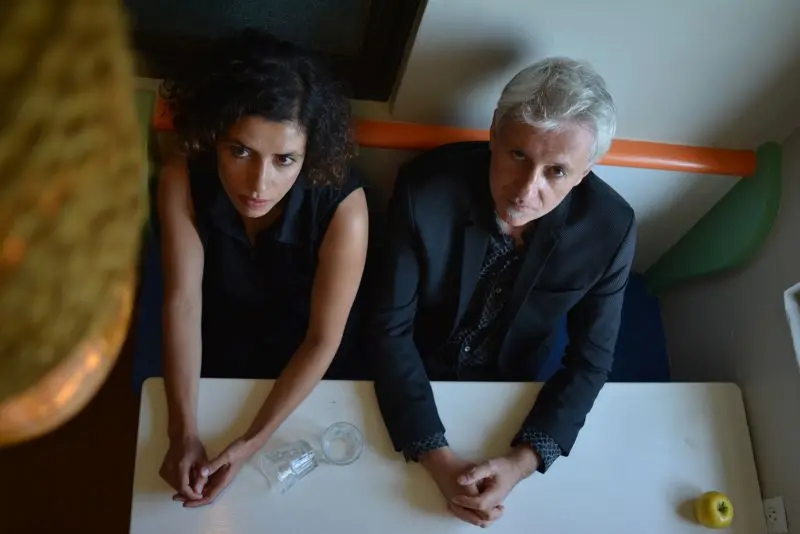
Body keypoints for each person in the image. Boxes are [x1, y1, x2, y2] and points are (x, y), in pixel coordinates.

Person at [369, 57, 635, 527]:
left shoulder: (610, 229)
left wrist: (524, 460)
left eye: (556, 172)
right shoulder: (425, 188)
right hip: (413, 371)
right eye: (518, 156)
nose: (526, 191)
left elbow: (590, 361)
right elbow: (389, 328)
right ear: (494, 131)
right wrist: (434, 454)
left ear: (585, 172)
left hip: (512, 386)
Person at [156, 30, 369, 507]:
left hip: (310, 367)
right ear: (214, 136)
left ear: (309, 154)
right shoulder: (181, 179)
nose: (259, 184)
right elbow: (183, 304)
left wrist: (252, 442)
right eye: (240, 151)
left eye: (285, 160)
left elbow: (324, 339)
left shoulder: (345, 208)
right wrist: (182, 432)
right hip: (218, 349)